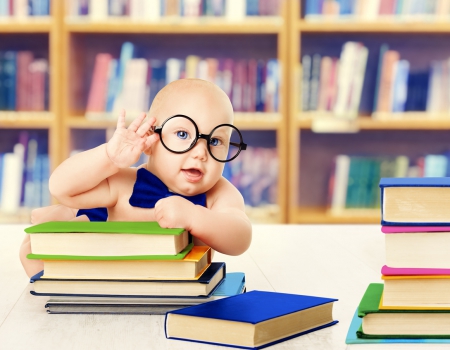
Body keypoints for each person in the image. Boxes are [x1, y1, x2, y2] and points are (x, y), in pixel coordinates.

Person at [19, 79, 252, 277]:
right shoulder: (126, 182)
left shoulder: (219, 193)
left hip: (171, 285)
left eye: (215, 141)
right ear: (150, 141)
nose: (201, 152)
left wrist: (194, 216)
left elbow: (240, 237)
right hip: (108, 252)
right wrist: (109, 158)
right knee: (43, 249)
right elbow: (61, 188)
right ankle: (62, 214)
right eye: (182, 134)